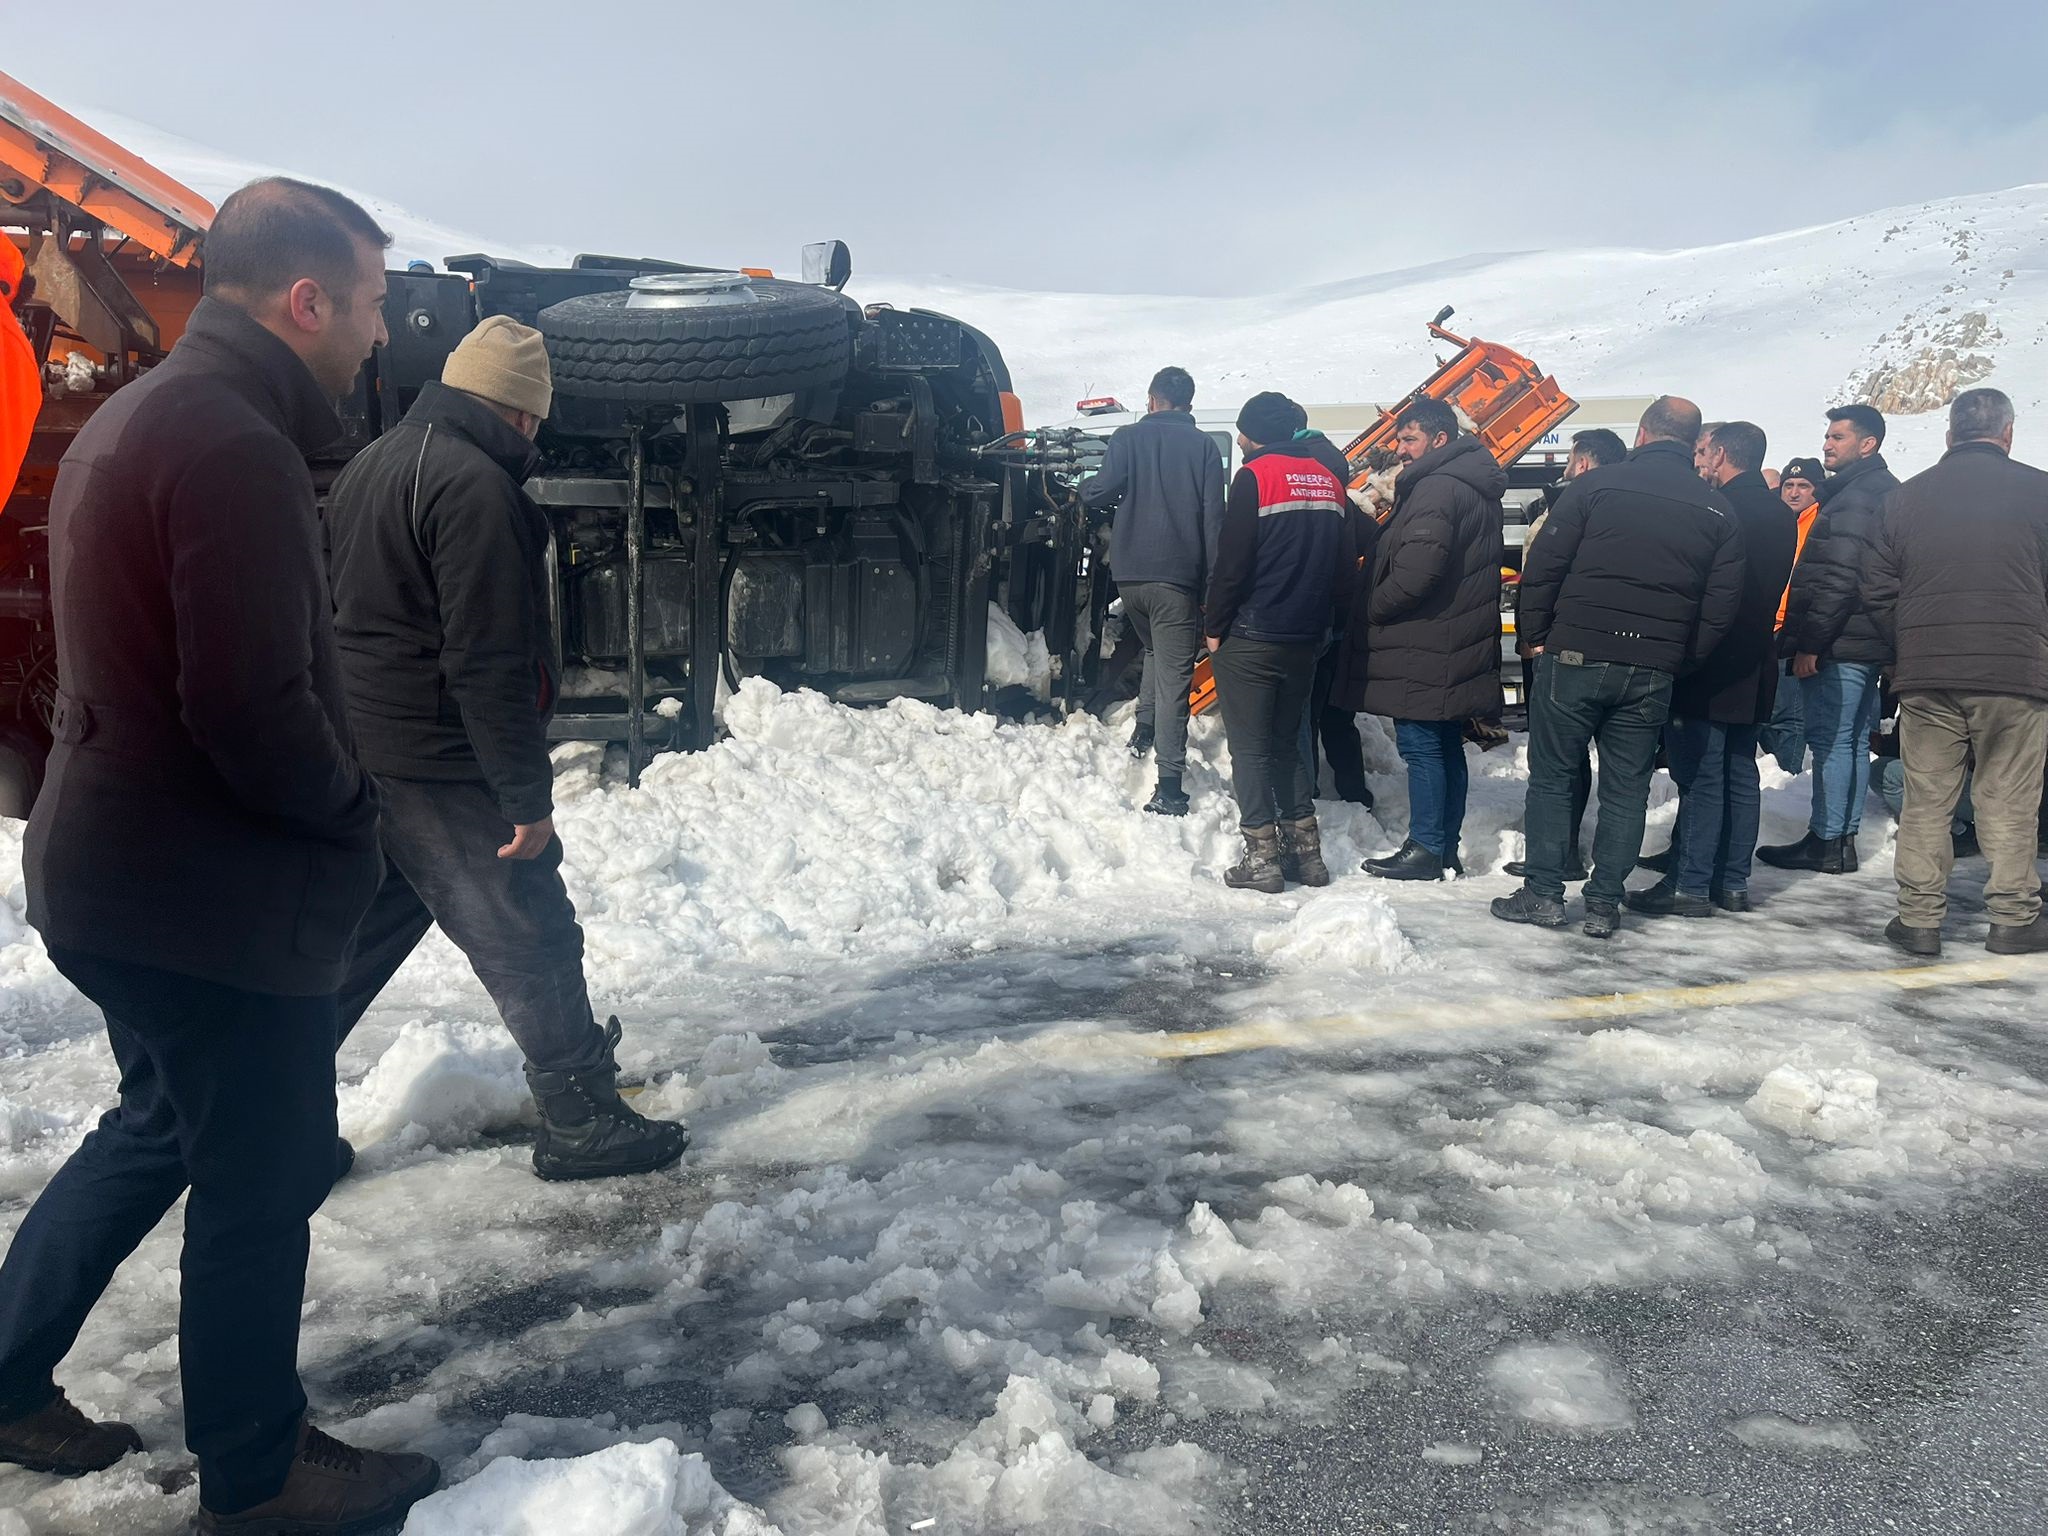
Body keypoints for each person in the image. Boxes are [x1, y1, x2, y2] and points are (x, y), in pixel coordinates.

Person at [0, 179, 440, 1532]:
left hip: (118, 874)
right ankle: (259, 1472)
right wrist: (354, 817)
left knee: (155, 1129)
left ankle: (7, 1378)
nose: (377, 334)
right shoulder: (233, 444)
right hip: (204, 897)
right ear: (306, 299)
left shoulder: (148, 415)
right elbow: (250, 707)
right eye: (369, 304)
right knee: (264, 1171)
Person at [324, 318, 690, 1181]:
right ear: (523, 412)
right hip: (439, 758)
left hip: (367, 747)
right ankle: (581, 1122)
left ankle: (276, 1125)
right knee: (532, 933)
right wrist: (525, 798)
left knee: (356, 942)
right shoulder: (476, 489)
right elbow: (488, 657)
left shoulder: (374, 464)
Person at [1492, 397, 1743, 938]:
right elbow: (1721, 606)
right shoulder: (1717, 509)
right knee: (1627, 788)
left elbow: (1545, 569)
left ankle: (1542, 893)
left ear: (1643, 434)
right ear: (1695, 443)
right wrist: (1679, 657)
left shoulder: (1591, 488)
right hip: (1653, 664)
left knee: (1555, 778)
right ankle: (1605, 902)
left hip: (1576, 652)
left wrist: (1535, 637)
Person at [1862, 387, 2048, 956]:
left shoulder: (1903, 498)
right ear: (2008, 434)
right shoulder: (2042, 492)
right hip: (2017, 674)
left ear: (1950, 434)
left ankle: (1919, 920)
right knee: (2009, 799)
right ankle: (2014, 919)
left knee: (1926, 798)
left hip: (1926, 675)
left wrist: (1909, 647)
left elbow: (1875, 589)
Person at [1626, 422, 1797, 916]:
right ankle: (1733, 881)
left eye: (1703, 452)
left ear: (1721, 454)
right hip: (1756, 658)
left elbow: (1699, 589)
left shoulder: (1718, 509)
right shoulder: (1781, 514)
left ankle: (1691, 885)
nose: (1699, 462)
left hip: (1710, 657)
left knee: (1701, 774)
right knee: (1740, 772)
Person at [1342, 397, 1505, 881]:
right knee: (1442, 743)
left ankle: (1428, 847)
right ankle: (1441, 844)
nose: (1400, 449)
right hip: (1451, 635)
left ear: (1439, 440)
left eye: (1409, 439)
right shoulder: (1468, 483)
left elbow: (1417, 572)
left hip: (1427, 640)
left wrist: (1371, 607)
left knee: (1423, 747)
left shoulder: (1436, 488)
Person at [1204, 391, 1356, 892]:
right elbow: (1342, 568)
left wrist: (1214, 624)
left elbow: (1233, 563)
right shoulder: (1330, 481)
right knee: (1289, 743)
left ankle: (1262, 858)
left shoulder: (1254, 477)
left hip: (1252, 634)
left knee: (1249, 749)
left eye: (1243, 430)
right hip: (1305, 637)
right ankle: (1307, 858)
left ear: (1253, 432)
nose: (1240, 438)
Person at [1079, 366, 1226, 816]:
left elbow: (1100, 489)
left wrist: (1072, 492)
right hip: (1176, 578)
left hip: (1130, 574)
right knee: (1175, 681)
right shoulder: (1203, 447)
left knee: (1156, 652)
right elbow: (1211, 519)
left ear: (1151, 399)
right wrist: (1213, 585)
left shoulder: (1126, 438)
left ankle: (1144, 729)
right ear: (1188, 402)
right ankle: (1170, 786)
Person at [1759, 406, 1899, 874]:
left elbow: (1840, 577)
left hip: (1839, 642)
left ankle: (1827, 840)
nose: (1826, 445)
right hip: (1868, 639)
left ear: (1868, 444)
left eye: (1837, 437)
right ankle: (1842, 839)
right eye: (1826, 436)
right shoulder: (1879, 490)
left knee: (1835, 742)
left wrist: (1811, 644)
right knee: (1854, 741)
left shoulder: (1856, 497)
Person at [1504, 427, 1626, 881]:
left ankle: (1558, 855)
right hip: (1607, 646)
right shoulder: (1624, 509)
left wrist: (1532, 635)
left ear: (1587, 463)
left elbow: (1543, 577)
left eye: (1573, 458)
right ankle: (1579, 854)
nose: (1568, 467)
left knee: (1559, 758)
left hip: (1558, 647)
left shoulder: (1573, 508)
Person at [1288, 406, 1380, 810]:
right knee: (1339, 715)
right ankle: (1354, 790)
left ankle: (1304, 792)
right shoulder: (1341, 494)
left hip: (1309, 615)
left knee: (1303, 712)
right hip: (1344, 616)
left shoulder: (1297, 481)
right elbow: (1376, 541)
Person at [1759, 457, 1826, 773]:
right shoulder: (1775, 520)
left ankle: (1787, 777)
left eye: (1803, 486)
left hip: (1793, 629)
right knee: (1768, 711)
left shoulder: (1822, 523)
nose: (1794, 493)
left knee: (1789, 714)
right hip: (1764, 626)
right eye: (1789, 485)